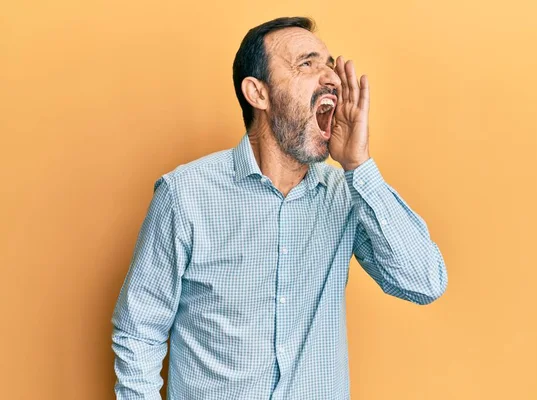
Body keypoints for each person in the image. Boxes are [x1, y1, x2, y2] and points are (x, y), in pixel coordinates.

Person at [111, 16, 448, 400]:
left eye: (330, 64)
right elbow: (138, 332)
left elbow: (424, 283)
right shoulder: (185, 195)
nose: (332, 79)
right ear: (258, 93)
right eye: (307, 64)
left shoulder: (346, 194)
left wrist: (360, 166)